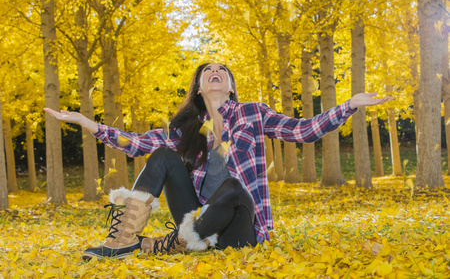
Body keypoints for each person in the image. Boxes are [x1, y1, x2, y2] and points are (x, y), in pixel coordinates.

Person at [44, 63, 392, 260]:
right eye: (207, 70)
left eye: (221, 70)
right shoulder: (187, 130)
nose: (215, 71)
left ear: (230, 86)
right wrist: (91, 126)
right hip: (197, 215)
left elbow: (303, 131)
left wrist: (349, 105)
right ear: (198, 88)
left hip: (238, 228)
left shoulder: (253, 114)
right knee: (163, 154)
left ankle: (181, 242)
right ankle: (123, 241)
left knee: (233, 187)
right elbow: (136, 143)